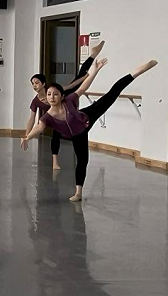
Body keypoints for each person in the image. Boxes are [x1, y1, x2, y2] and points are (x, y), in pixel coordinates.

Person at [20, 58, 157, 202]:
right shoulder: (47, 117)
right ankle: (78, 193)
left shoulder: (70, 100)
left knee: (113, 93)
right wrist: (28, 137)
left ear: (62, 96)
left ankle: (139, 71)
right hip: (78, 135)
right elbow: (39, 127)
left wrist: (95, 70)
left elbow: (84, 86)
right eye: (49, 94)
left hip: (88, 116)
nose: (52, 97)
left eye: (55, 94)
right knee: (82, 161)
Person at [26, 40, 106, 170]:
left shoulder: (54, 91)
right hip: (56, 116)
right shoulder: (36, 101)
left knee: (80, 76)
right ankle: (55, 161)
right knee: (55, 135)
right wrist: (27, 135)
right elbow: (31, 119)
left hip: (66, 98)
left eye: (36, 83)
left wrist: (84, 78)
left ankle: (93, 54)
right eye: (32, 84)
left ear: (43, 84)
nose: (34, 86)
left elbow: (72, 85)